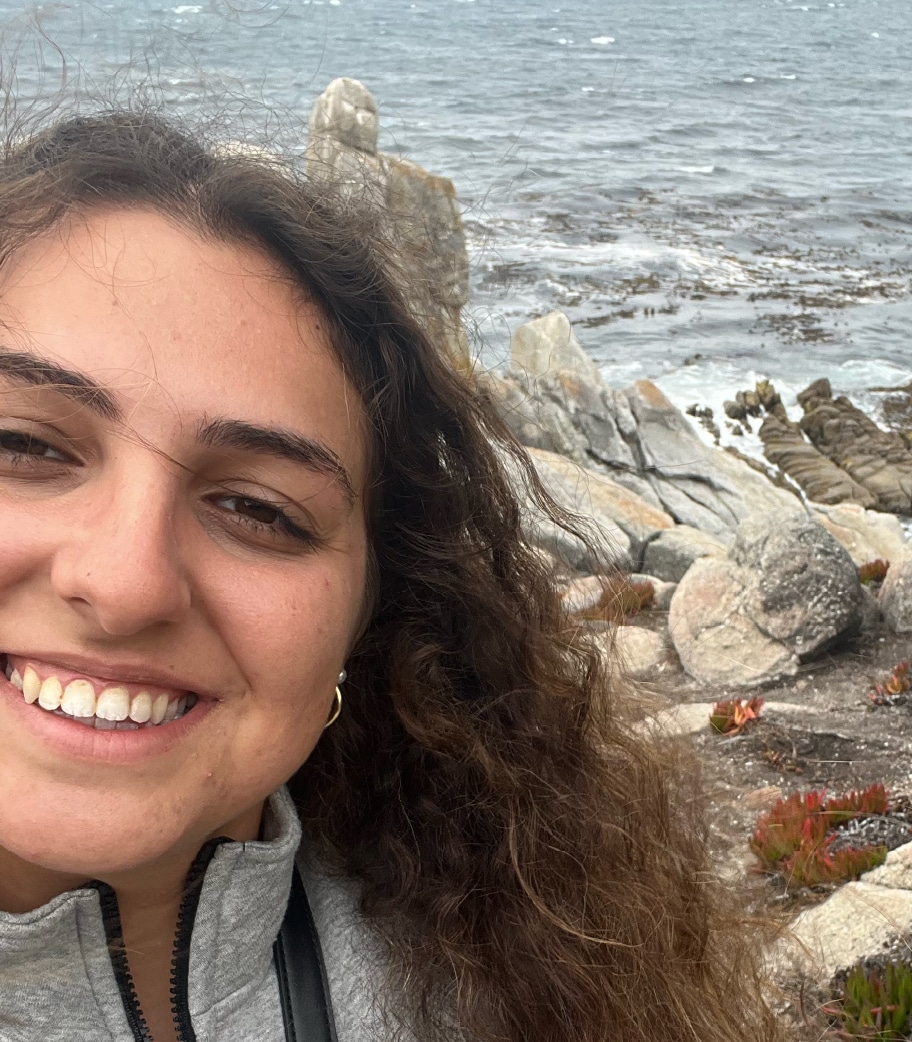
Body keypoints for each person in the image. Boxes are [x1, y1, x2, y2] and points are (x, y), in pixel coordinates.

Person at [0, 112, 780, 1042]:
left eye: (258, 508)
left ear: (369, 614)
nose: (126, 582)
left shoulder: (512, 975)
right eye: (25, 446)